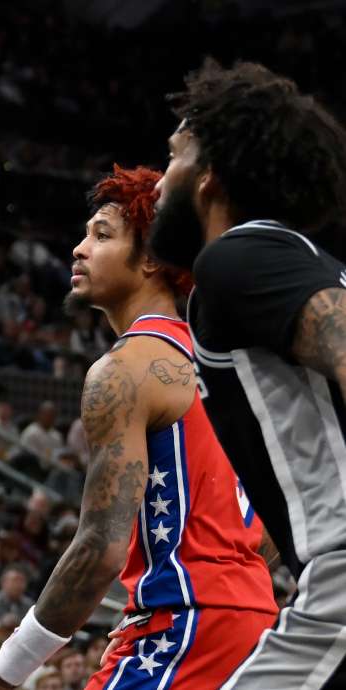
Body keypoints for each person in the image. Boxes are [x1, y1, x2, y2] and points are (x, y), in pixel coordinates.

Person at [0, 165, 279, 690]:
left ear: (151, 258)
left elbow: (99, 547)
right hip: (253, 622)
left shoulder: (126, 369)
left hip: (186, 625)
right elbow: (277, 509)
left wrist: (4, 675)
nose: (80, 248)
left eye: (102, 235)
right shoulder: (223, 363)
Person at [142, 60, 346, 690]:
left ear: (208, 177)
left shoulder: (240, 256)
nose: (156, 185)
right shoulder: (293, 261)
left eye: (173, 155)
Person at [18, 401, 62, 467]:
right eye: (47, 415)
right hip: (34, 468)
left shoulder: (57, 435)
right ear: (40, 415)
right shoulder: (31, 432)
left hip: (53, 467)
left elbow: (59, 455)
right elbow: (29, 456)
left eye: (52, 416)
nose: (50, 419)